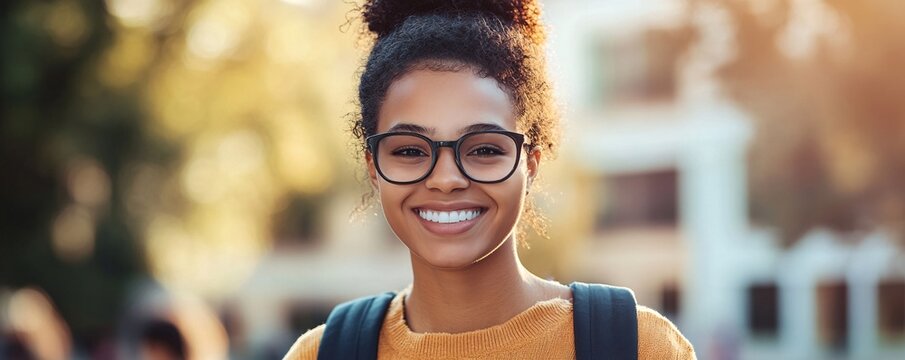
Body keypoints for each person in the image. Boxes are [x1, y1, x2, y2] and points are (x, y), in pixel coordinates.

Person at [284, 0, 696, 359]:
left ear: (530, 165)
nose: (446, 179)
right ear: (374, 168)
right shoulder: (320, 354)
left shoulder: (641, 347)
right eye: (409, 150)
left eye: (483, 149)